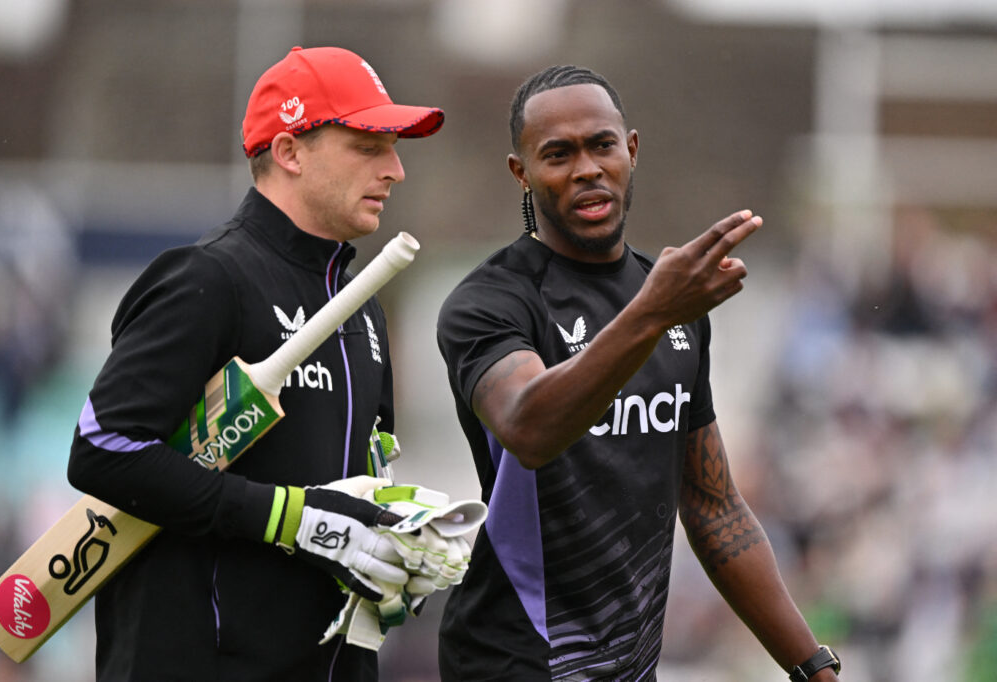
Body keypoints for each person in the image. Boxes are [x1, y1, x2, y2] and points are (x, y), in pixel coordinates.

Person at [435, 65, 841, 681]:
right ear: (521, 173)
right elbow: (529, 426)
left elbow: (713, 507)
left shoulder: (675, 303)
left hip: (629, 666)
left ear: (631, 149)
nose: (587, 169)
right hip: (518, 660)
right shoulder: (491, 302)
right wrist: (652, 313)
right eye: (557, 154)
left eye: (601, 145)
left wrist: (813, 666)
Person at [67, 46, 445, 680]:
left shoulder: (363, 304)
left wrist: (399, 539)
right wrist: (289, 518)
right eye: (368, 145)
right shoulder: (208, 277)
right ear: (291, 151)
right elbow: (102, 448)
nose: (397, 170)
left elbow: (352, 478)